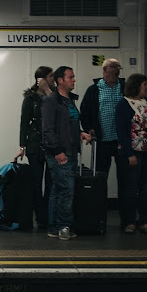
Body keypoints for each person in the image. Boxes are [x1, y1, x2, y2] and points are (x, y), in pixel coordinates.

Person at [42, 66, 91, 240]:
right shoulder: (51, 101)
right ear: (60, 80)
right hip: (60, 152)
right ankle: (64, 226)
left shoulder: (69, 100)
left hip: (69, 150)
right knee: (66, 190)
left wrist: (80, 133)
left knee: (58, 189)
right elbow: (48, 130)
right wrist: (57, 151)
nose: (74, 80)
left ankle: (54, 226)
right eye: (70, 77)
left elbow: (68, 126)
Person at [79, 58, 126, 223]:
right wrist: (89, 128)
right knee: (100, 177)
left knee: (125, 179)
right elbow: (84, 112)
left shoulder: (124, 88)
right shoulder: (94, 90)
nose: (116, 74)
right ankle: (99, 214)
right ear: (105, 71)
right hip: (102, 141)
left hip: (122, 141)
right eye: (113, 71)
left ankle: (126, 217)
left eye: (118, 71)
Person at [115, 73, 147, 235]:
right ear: (136, 86)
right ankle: (129, 221)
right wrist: (129, 153)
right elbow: (121, 131)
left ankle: (144, 220)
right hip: (133, 152)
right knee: (131, 187)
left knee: (145, 188)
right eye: (144, 84)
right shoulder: (123, 104)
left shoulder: (146, 102)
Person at [13, 66, 54, 229]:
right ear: (41, 79)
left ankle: (50, 215)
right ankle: (40, 217)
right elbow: (24, 122)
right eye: (50, 76)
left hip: (52, 145)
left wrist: (48, 91)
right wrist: (22, 145)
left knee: (51, 183)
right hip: (35, 144)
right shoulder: (30, 98)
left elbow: (60, 109)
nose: (53, 79)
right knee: (37, 183)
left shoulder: (55, 95)